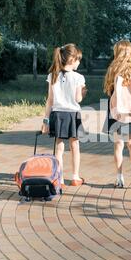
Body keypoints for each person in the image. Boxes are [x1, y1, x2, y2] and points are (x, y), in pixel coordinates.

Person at [42, 43, 87, 187]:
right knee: (75, 146)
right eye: (78, 59)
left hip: (57, 114)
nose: (79, 62)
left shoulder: (52, 75)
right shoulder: (79, 78)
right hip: (72, 114)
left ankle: (59, 179)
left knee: (59, 147)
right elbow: (78, 99)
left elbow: (49, 100)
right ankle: (75, 177)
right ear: (72, 59)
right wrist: (83, 91)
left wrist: (45, 121)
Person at [103, 40, 131, 188]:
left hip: (116, 111)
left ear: (117, 53)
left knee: (118, 144)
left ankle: (119, 177)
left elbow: (109, 91)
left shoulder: (112, 70)